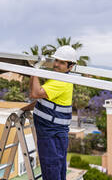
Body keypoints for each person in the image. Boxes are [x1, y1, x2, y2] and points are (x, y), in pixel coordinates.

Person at [20, 45, 77, 180]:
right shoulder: (57, 78)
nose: (56, 64)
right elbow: (43, 99)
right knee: (57, 169)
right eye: (56, 60)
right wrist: (25, 109)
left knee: (51, 169)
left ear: (70, 66)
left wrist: (36, 69)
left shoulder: (61, 82)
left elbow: (35, 93)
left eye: (61, 63)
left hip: (51, 133)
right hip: (52, 132)